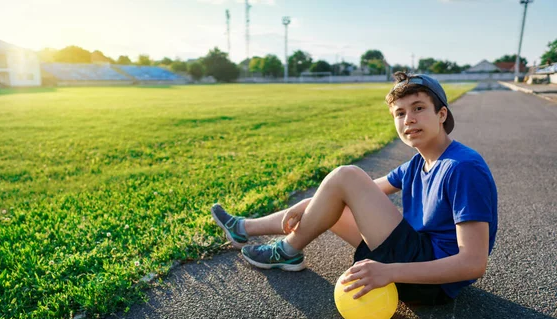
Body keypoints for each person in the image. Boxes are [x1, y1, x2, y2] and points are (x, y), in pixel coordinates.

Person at [211, 72, 498, 306]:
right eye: (399, 113)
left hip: (430, 283)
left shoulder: (462, 167)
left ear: (441, 114)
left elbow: (473, 263)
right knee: (339, 191)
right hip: (415, 255)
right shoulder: (417, 164)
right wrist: (307, 205)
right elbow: (353, 193)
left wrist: (388, 272)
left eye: (418, 108)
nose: (408, 119)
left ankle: (287, 250)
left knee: (347, 174)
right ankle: (244, 228)